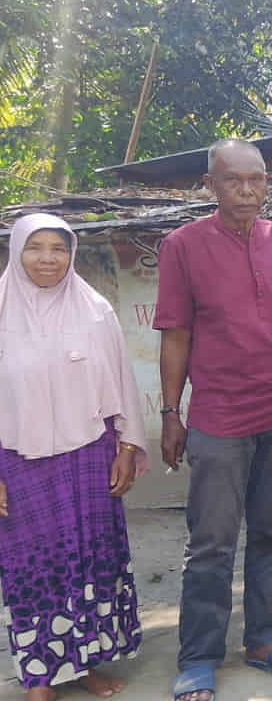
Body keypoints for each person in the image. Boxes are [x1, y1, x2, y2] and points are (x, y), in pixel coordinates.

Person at [155, 139, 272, 701]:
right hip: (219, 414)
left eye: (258, 179)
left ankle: (265, 639)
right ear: (211, 185)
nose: (248, 190)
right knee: (211, 540)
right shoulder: (182, 246)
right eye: (234, 180)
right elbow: (176, 333)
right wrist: (170, 412)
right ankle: (199, 655)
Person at [0, 214, 148, 701]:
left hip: (89, 456)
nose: (48, 259)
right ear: (17, 252)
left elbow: (121, 381)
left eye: (59, 249)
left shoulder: (95, 310)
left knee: (90, 558)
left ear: (71, 254)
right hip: (18, 461)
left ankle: (87, 664)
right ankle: (41, 677)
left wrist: (128, 446)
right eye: (35, 248)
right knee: (32, 565)